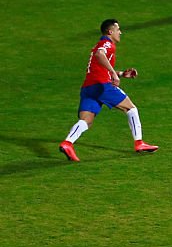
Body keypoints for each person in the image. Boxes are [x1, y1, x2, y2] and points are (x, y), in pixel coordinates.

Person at [59, 19, 158, 162]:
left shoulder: (99, 45)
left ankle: (67, 143)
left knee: (86, 120)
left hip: (88, 87)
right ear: (110, 32)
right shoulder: (107, 44)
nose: (120, 32)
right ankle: (139, 143)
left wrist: (122, 74)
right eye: (118, 30)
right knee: (131, 109)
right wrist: (112, 73)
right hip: (102, 86)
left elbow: (99, 67)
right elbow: (100, 55)